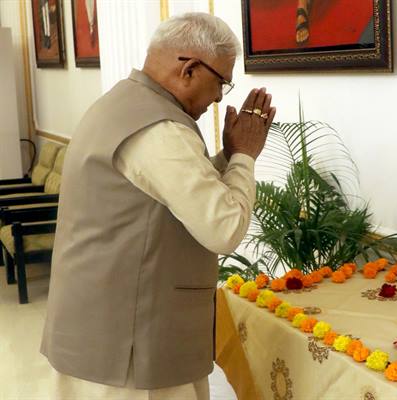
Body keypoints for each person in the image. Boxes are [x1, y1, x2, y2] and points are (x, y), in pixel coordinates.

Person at [40, 12, 275, 399]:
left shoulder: (121, 103)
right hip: (129, 344)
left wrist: (229, 156)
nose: (220, 97)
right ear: (189, 69)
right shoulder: (159, 129)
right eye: (222, 82)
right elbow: (225, 228)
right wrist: (245, 156)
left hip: (99, 324)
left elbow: (169, 189)